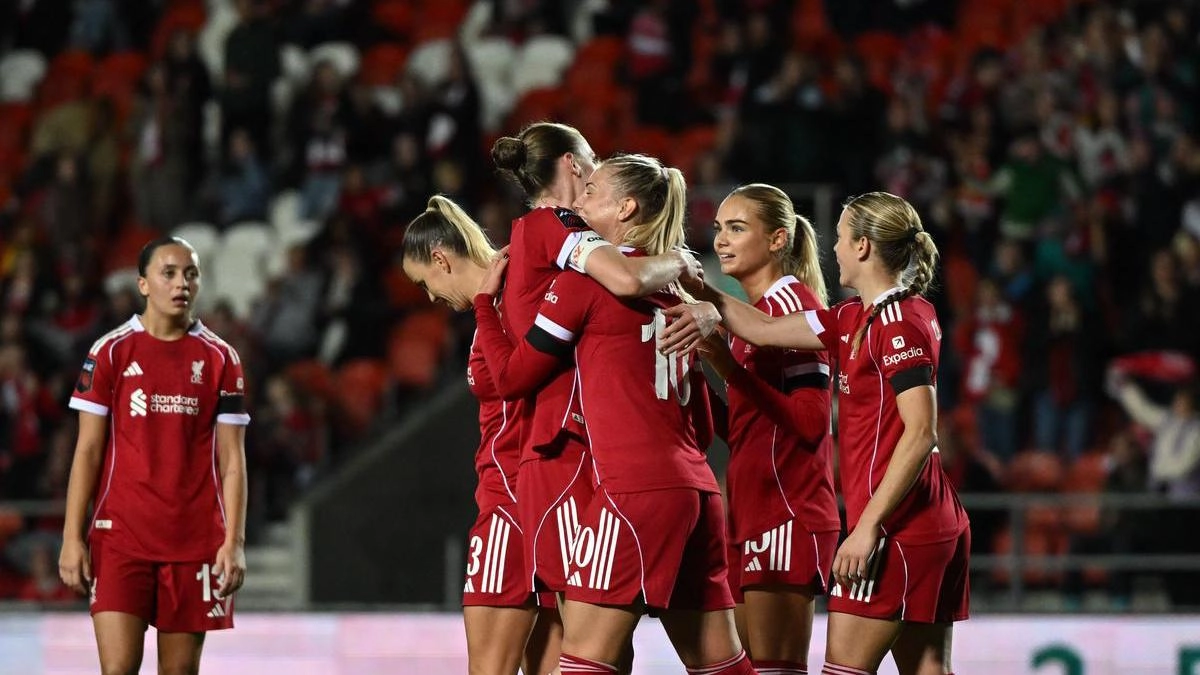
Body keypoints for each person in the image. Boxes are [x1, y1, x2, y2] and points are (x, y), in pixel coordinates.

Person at [664, 192, 970, 675]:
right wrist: (696, 288)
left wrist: (867, 526)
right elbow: (762, 329)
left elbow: (921, 432)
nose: (834, 250)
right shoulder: (854, 317)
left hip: (899, 525)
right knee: (927, 667)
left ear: (865, 246)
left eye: (844, 238)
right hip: (919, 521)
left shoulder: (897, 325)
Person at [474, 154, 753, 675]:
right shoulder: (676, 292)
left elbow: (511, 379)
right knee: (722, 663)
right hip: (697, 489)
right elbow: (706, 426)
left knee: (585, 660)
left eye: (592, 190)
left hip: (630, 492)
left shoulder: (585, 283)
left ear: (624, 207)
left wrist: (484, 307)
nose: (578, 200)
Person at [489, 124, 706, 634]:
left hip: (581, 445)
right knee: (587, 634)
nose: (588, 190)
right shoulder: (560, 224)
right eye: (589, 171)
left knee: (586, 637)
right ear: (571, 163)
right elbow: (627, 278)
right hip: (577, 445)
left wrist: (707, 309)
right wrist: (679, 260)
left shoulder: (546, 236)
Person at [58, 236, 250, 675]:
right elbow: (87, 450)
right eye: (169, 273)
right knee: (118, 668)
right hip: (121, 537)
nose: (182, 283)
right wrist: (72, 536)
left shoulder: (222, 358)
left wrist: (233, 543)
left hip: (195, 540)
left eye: (191, 274)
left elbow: (233, 461)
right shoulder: (109, 351)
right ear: (143, 284)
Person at [400, 196, 556, 675]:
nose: (430, 297)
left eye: (425, 282)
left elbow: (525, 385)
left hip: (511, 501)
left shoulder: (508, 300)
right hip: (533, 499)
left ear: (442, 260)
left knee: (490, 669)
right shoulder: (499, 300)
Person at [699, 184, 839, 674]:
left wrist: (730, 371)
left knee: (777, 669)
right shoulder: (751, 319)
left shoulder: (791, 310)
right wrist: (695, 379)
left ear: (779, 239)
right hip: (751, 508)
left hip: (788, 510)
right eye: (718, 228)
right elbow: (747, 431)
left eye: (737, 228)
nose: (721, 240)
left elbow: (809, 424)